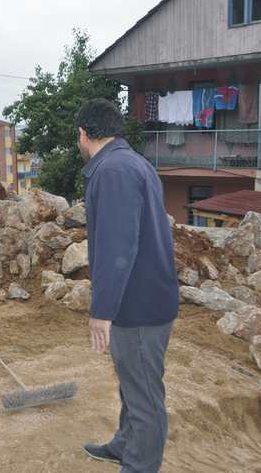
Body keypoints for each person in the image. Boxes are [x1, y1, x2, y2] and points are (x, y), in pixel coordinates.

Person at [77, 99, 179, 472]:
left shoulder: (113, 171)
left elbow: (118, 247)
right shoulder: (132, 162)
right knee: (133, 383)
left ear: (83, 134)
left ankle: (140, 465)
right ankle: (125, 444)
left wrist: (102, 312)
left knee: (144, 397)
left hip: (136, 306)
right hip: (149, 297)